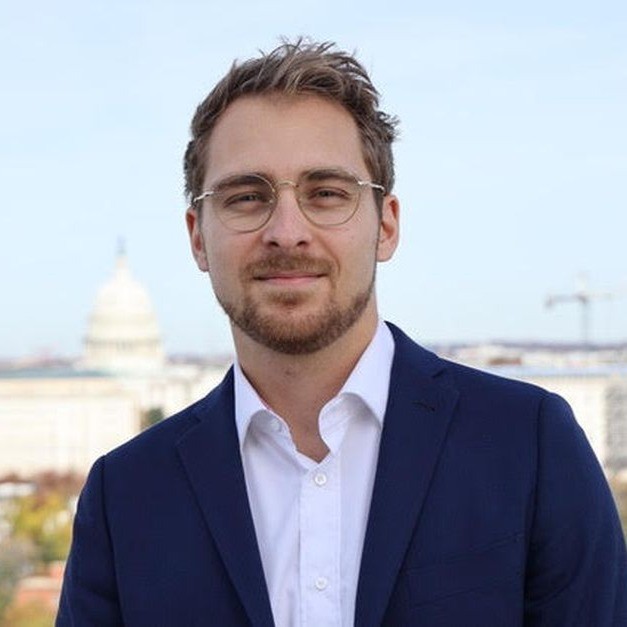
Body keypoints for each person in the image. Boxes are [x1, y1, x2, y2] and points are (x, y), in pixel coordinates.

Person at [57, 40, 627, 626]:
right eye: (246, 197)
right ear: (198, 237)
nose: (286, 231)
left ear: (386, 226)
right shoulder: (124, 497)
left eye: (326, 194)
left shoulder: (529, 446)